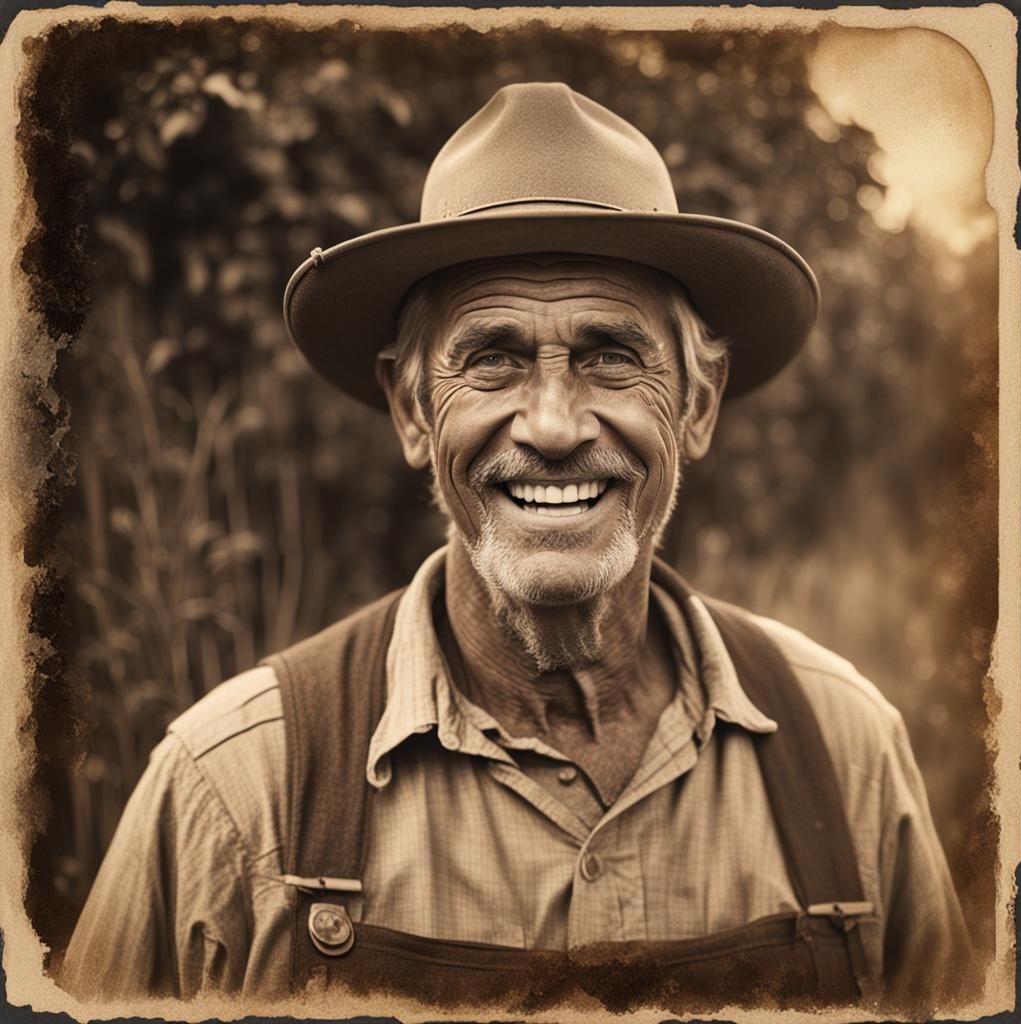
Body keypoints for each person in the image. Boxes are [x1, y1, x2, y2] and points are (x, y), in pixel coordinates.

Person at [62, 82, 974, 1014]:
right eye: (492, 356)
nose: (551, 425)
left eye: (609, 355)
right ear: (413, 408)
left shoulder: (848, 754)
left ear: (696, 404)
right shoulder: (232, 790)